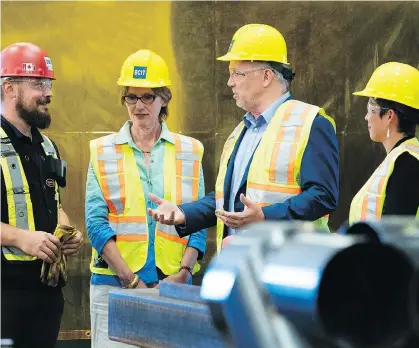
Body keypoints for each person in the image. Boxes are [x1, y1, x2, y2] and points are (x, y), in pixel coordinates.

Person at [148, 23, 339, 252]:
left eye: (237, 73)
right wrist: (183, 213)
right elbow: (229, 200)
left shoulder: (311, 122)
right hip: (243, 266)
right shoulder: (241, 130)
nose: (230, 82)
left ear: (266, 76)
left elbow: (322, 196)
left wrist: (266, 217)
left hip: (288, 267)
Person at [85, 49, 207, 347]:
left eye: (148, 97)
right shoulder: (102, 151)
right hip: (115, 286)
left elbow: (199, 220)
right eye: (131, 97)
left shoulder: (190, 150)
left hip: (173, 285)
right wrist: (130, 280)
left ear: (164, 98)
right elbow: (95, 223)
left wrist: (184, 272)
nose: (139, 106)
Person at [0, 42, 83, 348]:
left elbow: (55, 205)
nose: (47, 93)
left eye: (48, 83)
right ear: (9, 88)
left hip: (46, 293)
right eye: (38, 83)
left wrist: (66, 230)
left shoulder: (47, 147)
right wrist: (22, 238)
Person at [349, 62, 419, 223]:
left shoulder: (407, 164)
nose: (367, 117)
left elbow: (394, 233)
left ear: (389, 116)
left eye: (371, 109)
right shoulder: (401, 158)